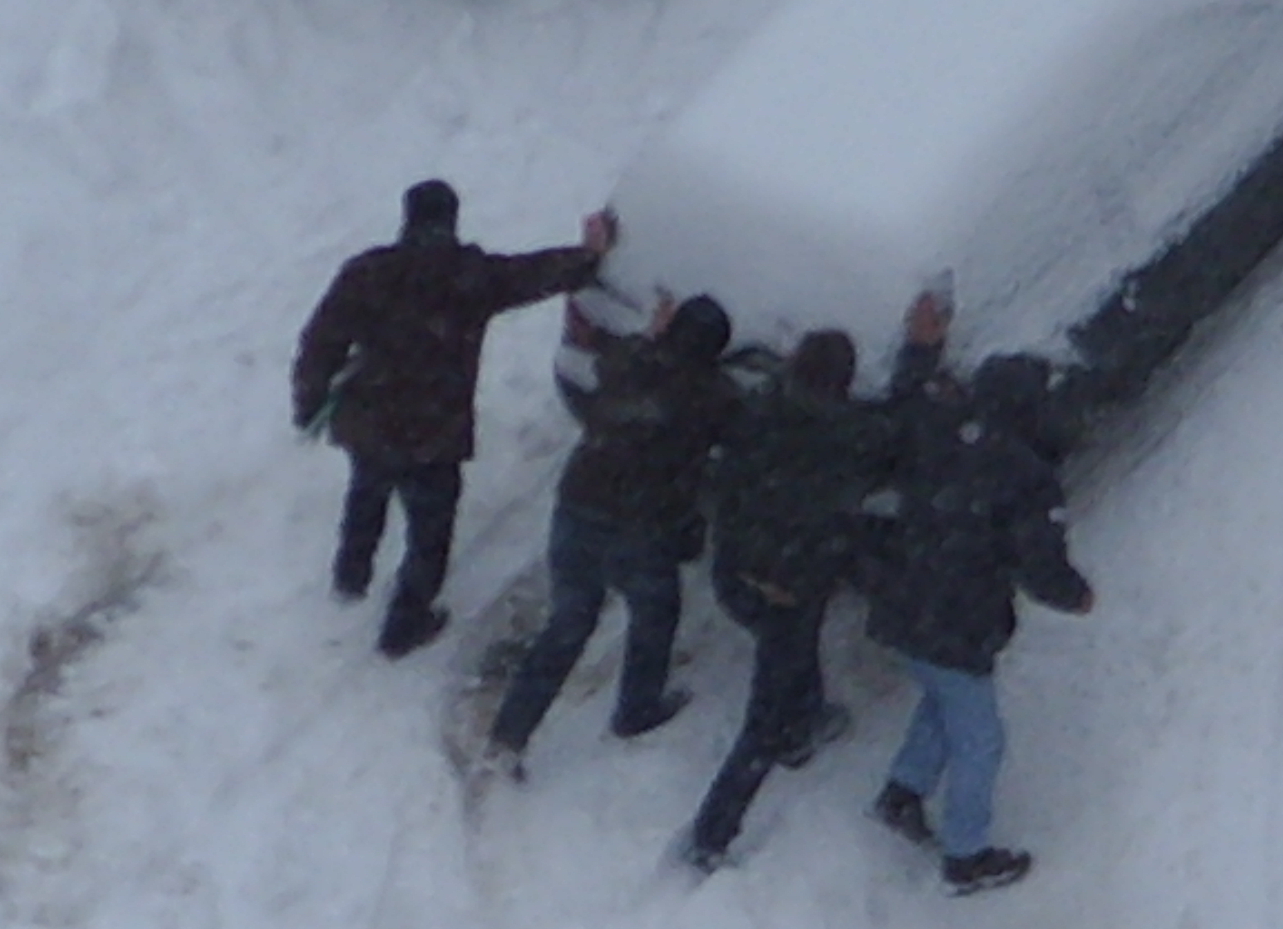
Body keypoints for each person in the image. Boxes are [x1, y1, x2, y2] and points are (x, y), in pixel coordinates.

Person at [292, 180, 612, 657]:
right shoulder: (469, 275)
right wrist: (587, 256)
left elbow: (321, 341)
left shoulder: (367, 272)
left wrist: (309, 402)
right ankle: (405, 621)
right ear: (451, 220)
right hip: (433, 430)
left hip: (372, 418)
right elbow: (534, 273)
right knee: (430, 531)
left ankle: (351, 574)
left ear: (407, 218)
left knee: (366, 491)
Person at [682, 309, 941, 872]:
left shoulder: (758, 411)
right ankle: (711, 835)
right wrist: (920, 352)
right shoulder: (849, 437)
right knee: (763, 719)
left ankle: (807, 721)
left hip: (736, 571)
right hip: (790, 585)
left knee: (793, 648)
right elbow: (900, 423)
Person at [864, 328, 1094, 895]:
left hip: (903, 602)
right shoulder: (1027, 475)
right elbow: (1040, 564)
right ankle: (966, 856)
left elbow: (905, 396)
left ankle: (904, 791)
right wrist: (1075, 593)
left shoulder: (937, 431)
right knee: (981, 737)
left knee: (944, 696)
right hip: (959, 619)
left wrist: (920, 349)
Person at [482, 292, 743, 775]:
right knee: (655, 611)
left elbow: (613, 366)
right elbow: (737, 434)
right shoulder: (714, 394)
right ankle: (637, 707)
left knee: (568, 624)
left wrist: (652, 337)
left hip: (579, 506)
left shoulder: (626, 361)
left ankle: (509, 736)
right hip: (640, 523)